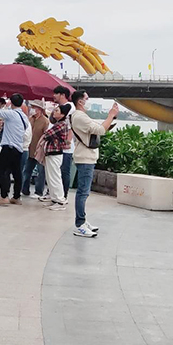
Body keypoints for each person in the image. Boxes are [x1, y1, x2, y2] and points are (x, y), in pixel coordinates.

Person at [70, 91, 118, 238]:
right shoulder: (79, 116)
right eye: (86, 98)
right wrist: (110, 115)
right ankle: (80, 224)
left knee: (84, 191)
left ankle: (82, 220)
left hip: (87, 157)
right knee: (83, 192)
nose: (88, 100)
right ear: (80, 101)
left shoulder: (81, 116)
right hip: (84, 158)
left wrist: (110, 119)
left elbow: (97, 128)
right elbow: (100, 130)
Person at [40, 104, 71, 209]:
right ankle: (54, 199)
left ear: (62, 114)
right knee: (50, 177)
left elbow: (48, 134)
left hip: (55, 153)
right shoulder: (58, 123)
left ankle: (60, 200)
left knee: (55, 177)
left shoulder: (61, 124)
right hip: (51, 152)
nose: (54, 112)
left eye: (57, 110)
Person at [52, 86, 75, 203]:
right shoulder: (58, 107)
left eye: (56, 94)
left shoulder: (71, 108)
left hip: (66, 147)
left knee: (64, 171)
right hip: (57, 146)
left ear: (62, 95)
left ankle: (63, 196)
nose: (53, 96)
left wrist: (68, 142)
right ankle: (55, 195)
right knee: (56, 172)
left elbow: (71, 127)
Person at [22, 100, 49, 198]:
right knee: (26, 170)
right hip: (29, 149)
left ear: (40, 109)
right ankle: (24, 190)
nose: (33, 109)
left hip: (40, 151)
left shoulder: (45, 121)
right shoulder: (30, 119)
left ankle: (39, 192)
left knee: (41, 172)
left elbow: (46, 136)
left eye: (35, 107)